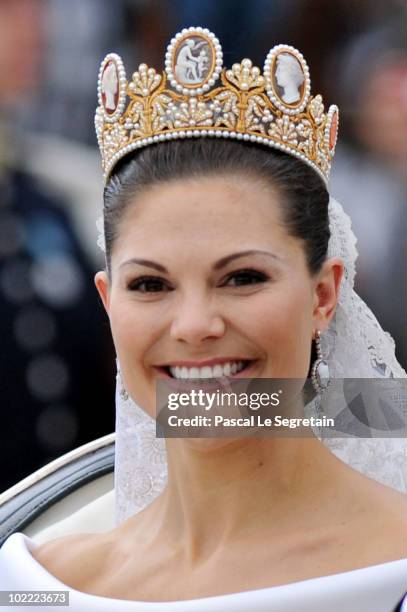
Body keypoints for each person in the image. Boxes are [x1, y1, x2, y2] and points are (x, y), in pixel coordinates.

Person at [1, 28, 407, 611]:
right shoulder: (35, 586)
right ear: (108, 302)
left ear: (323, 294)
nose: (194, 325)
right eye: (150, 285)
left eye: (242, 278)